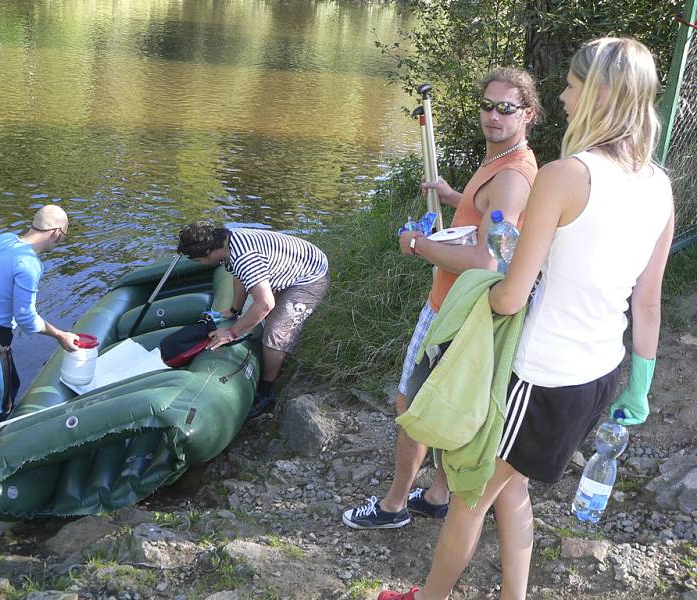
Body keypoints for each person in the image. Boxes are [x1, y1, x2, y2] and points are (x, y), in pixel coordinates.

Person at [378, 37, 674, 600]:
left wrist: (476, 299)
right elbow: (648, 301)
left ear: (602, 94)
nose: (562, 95)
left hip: (541, 376)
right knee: (509, 488)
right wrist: (638, 390)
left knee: (469, 496)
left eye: (571, 84)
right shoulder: (659, 184)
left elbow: (511, 297)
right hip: (601, 373)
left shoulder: (567, 175)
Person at [342, 68, 541, 530]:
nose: (493, 115)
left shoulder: (512, 177)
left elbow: (487, 262)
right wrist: (456, 198)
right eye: (487, 105)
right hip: (452, 304)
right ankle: (435, 495)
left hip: (454, 311)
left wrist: (417, 245)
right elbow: (486, 224)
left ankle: (392, 507)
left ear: (527, 113)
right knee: (437, 401)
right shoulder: (501, 161)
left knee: (412, 406)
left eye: (506, 108)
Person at [0, 205, 79, 467]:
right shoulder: (29, 265)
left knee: (11, 389)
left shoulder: (3, 239)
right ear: (56, 233)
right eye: (64, 235)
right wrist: (60, 335)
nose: (62, 239)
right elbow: (27, 319)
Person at [176, 222, 329, 416]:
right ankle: (273, 363)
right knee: (270, 319)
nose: (199, 263)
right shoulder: (226, 241)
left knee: (276, 333)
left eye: (198, 260)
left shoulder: (244, 257)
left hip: (310, 277)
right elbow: (239, 276)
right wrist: (234, 310)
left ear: (209, 253)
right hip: (292, 264)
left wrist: (231, 333)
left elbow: (265, 304)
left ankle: (266, 391)